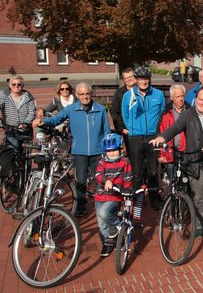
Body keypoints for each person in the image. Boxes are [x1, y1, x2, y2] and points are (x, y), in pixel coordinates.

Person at [151, 87, 203, 238]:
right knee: (198, 197)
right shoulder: (188, 114)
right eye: (201, 99)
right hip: (195, 163)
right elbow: (175, 128)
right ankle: (199, 226)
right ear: (195, 99)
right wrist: (162, 138)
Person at [33, 82, 111, 217]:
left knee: (99, 180)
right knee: (80, 180)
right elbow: (57, 119)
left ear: (91, 94)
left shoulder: (100, 109)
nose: (85, 97)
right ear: (77, 95)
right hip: (79, 151)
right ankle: (81, 205)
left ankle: (102, 205)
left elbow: (106, 131)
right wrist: (43, 121)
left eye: (87, 93)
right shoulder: (71, 109)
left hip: (98, 151)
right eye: (81, 94)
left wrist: (108, 148)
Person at [122, 66, 166, 211]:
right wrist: (133, 129)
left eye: (146, 78)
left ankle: (154, 198)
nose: (144, 81)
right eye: (140, 79)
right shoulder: (128, 96)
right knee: (136, 171)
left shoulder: (158, 94)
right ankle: (137, 198)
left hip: (152, 136)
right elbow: (125, 115)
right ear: (136, 80)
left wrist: (155, 130)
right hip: (135, 137)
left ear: (149, 79)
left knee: (153, 170)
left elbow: (162, 112)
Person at [94, 133, 133, 257]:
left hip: (114, 196)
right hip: (100, 195)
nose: (111, 153)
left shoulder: (125, 162)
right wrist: (106, 180)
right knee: (101, 225)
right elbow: (98, 175)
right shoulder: (102, 162)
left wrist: (127, 192)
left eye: (114, 150)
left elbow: (128, 179)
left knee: (104, 213)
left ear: (120, 149)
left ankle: (117, 225)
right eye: (108, 151)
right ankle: (108, 243)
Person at [0, 76, 36, 151]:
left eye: (19, 84)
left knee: (27, 154)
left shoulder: (29, 97)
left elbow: (32, 112)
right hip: (11, 129)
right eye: (13, 84)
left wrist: (26, 123)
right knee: (13, 151)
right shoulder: (4, 96)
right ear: (9, 85)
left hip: (26, 130)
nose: (16, 86)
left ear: (22, 86)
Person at [158, 84, 190, 182]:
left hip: (186, 154)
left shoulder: (191, 112)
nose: (180, 99)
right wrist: (161, 155)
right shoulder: (166, 113)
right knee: (172, 183)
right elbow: (160, 133)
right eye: (177, 96)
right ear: (172, 98)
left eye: (182, 96)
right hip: (170, 153)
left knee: (187, 184)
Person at [110, 67, 136, 135]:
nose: (129, 79)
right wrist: (121, 128)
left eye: (131, 76)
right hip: (126, 129)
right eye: (126, 78)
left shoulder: (141, 91)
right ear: (124, 80)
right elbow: (114, 112)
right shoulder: (119, 93)